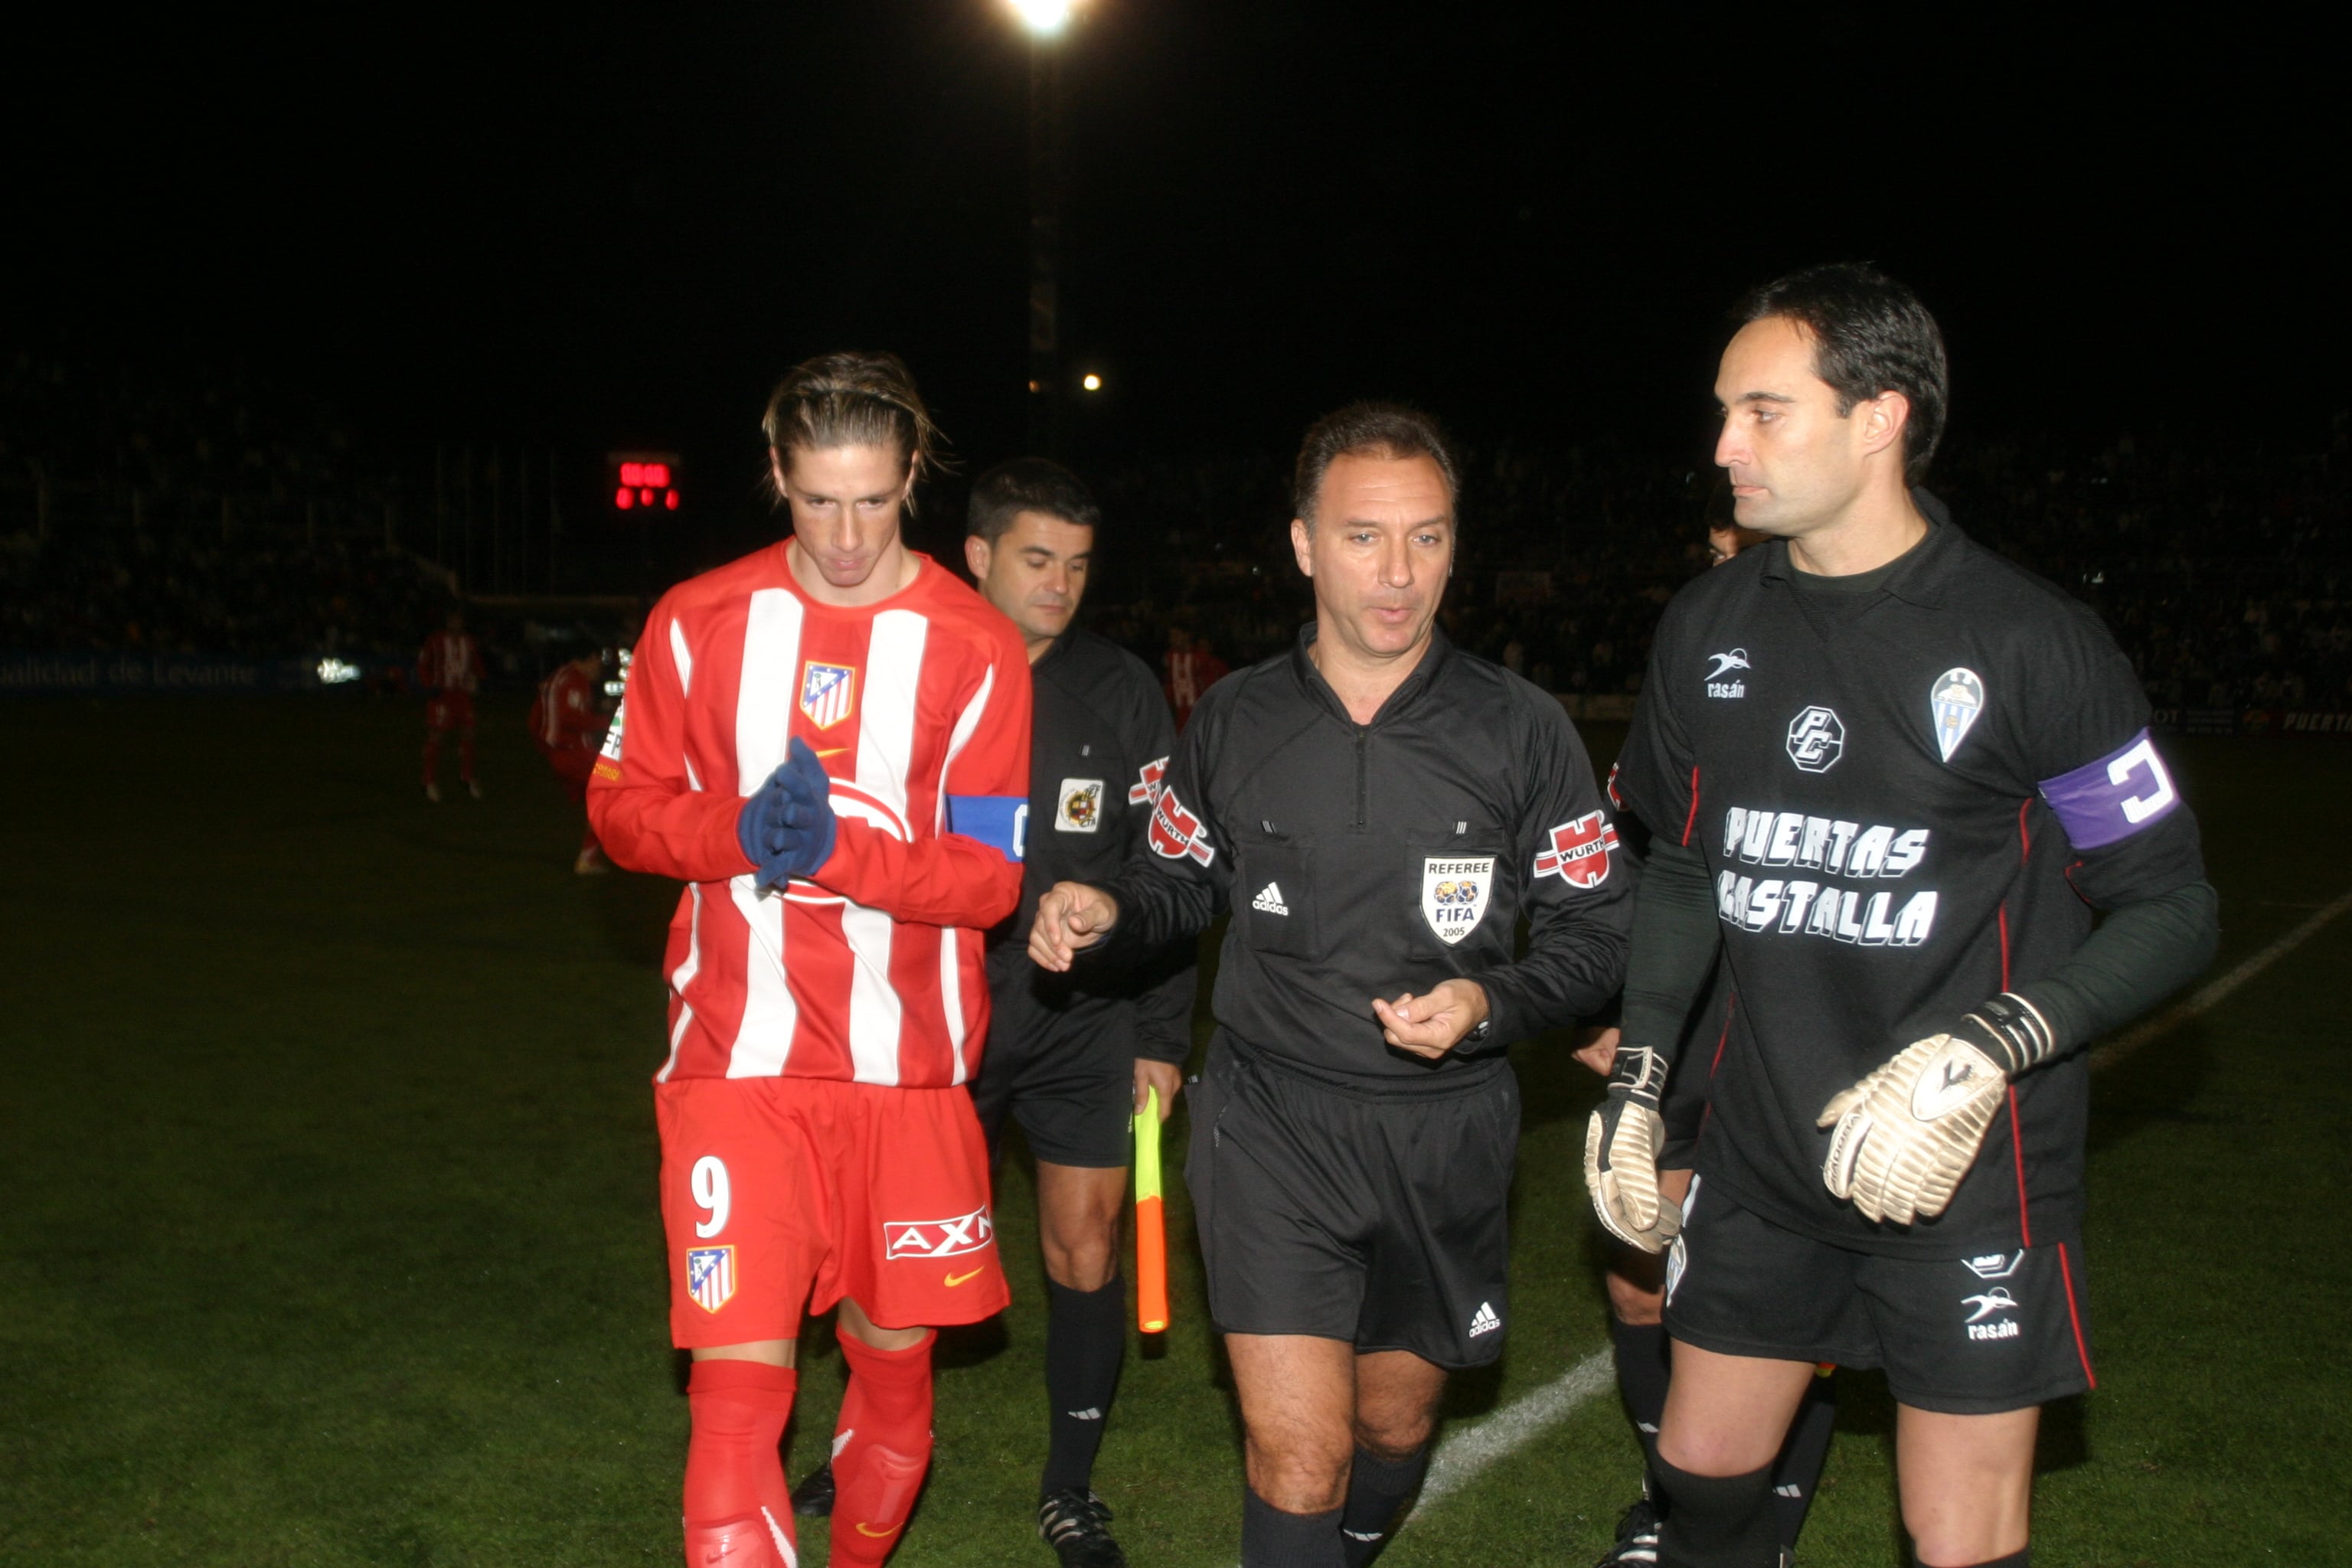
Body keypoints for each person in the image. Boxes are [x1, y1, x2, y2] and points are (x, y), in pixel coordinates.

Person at [1586, 264, 2218, 1568]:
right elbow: (1685, 866)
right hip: (1765, 1150)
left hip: (1963, 1166)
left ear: (1877, 416)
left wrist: (1992, 1044)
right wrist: (1642, 1073)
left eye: (1764, 411)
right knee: (1697, 1472)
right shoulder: (1707, 625)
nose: (1723, 446)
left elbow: (2173, 905)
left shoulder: (2031, 641)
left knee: (1956, 1534)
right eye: (1722, 411)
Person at [1031, 403, 1632, 1568]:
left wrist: (1489, 1005)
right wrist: (1108, 914)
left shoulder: (1523, 731)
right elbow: (1176, 887)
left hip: (1444, 1135)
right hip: (1271, 1125)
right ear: (1305, 544)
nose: (1399, 574)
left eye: (1429, 537)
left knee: (1390, 1424)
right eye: (1364, 538)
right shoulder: (1239, 718)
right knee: (1298, 1453)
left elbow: (1597, 931)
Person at [587, 351, 1033, 1568]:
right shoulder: (695, 622)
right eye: (818, 498)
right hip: (740, 1062)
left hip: (910, 1081)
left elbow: (993, 877)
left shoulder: (978, 647)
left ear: (913, 483)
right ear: (777, 472)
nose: (846, 534)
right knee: (734, 1403)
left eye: (874, 500)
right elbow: (619, 807)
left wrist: (844, 854)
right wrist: (733, 829)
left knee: (893, 1396)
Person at [793, 457, 1197, 1567]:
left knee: (1085, 1244)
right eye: (1035, 560)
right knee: (889, 1255)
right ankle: (857, 1448)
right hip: (927, 1018)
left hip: (1084, 1015)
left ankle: (1070, 1488)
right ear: (974, 555)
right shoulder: (905, 667)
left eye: (1076, 564)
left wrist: (1163, 1036)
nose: (1061, 585)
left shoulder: (1121, 691)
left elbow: (1170, 872)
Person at [1583, 509, 1834, 1568]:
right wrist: (1622, 1019)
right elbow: (1635, 875)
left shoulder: (1843, 679)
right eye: (1721, 542)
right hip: (1683, 1027)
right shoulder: (1695, 668)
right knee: (1641, 1270)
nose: (1730, 554)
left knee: (1798, 1310)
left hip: (1797, 1043)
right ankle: (1675, 1507)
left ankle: (1763, 1525)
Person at [531, 648, 615, 874]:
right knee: (615, 784)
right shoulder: (575, 681)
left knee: (599, 798)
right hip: (577, 756)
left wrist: (547, 749)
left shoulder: (557, 678)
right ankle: (590, 857)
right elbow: (570, 718)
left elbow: (535, 720)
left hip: (564, 755)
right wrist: (606, 721)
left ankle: (593, 853)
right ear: (586, 659)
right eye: (598, 663)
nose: (599, 670)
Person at [418, 609, 482, 802]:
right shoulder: (436, 641)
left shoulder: (468, 642)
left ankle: (467, 777)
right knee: (437, 736)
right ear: (447, 621)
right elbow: (423, 663)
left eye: (459, 620)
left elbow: (476, 665)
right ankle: (428, 781)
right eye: (452, 620)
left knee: (469, 733)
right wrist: (429, 685)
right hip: (442, 695)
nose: (456, 623)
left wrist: (477, 680)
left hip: (462, 696)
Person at [1162, 626, 1228, 729]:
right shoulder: (1170, 657)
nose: (1172, 639)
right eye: (1171, 636)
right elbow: (1169, 683)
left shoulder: (1202, 658)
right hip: (1179, 718)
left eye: (1176, 635)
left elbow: (1211, 685)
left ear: (1186, 636)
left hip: (1199, 716)